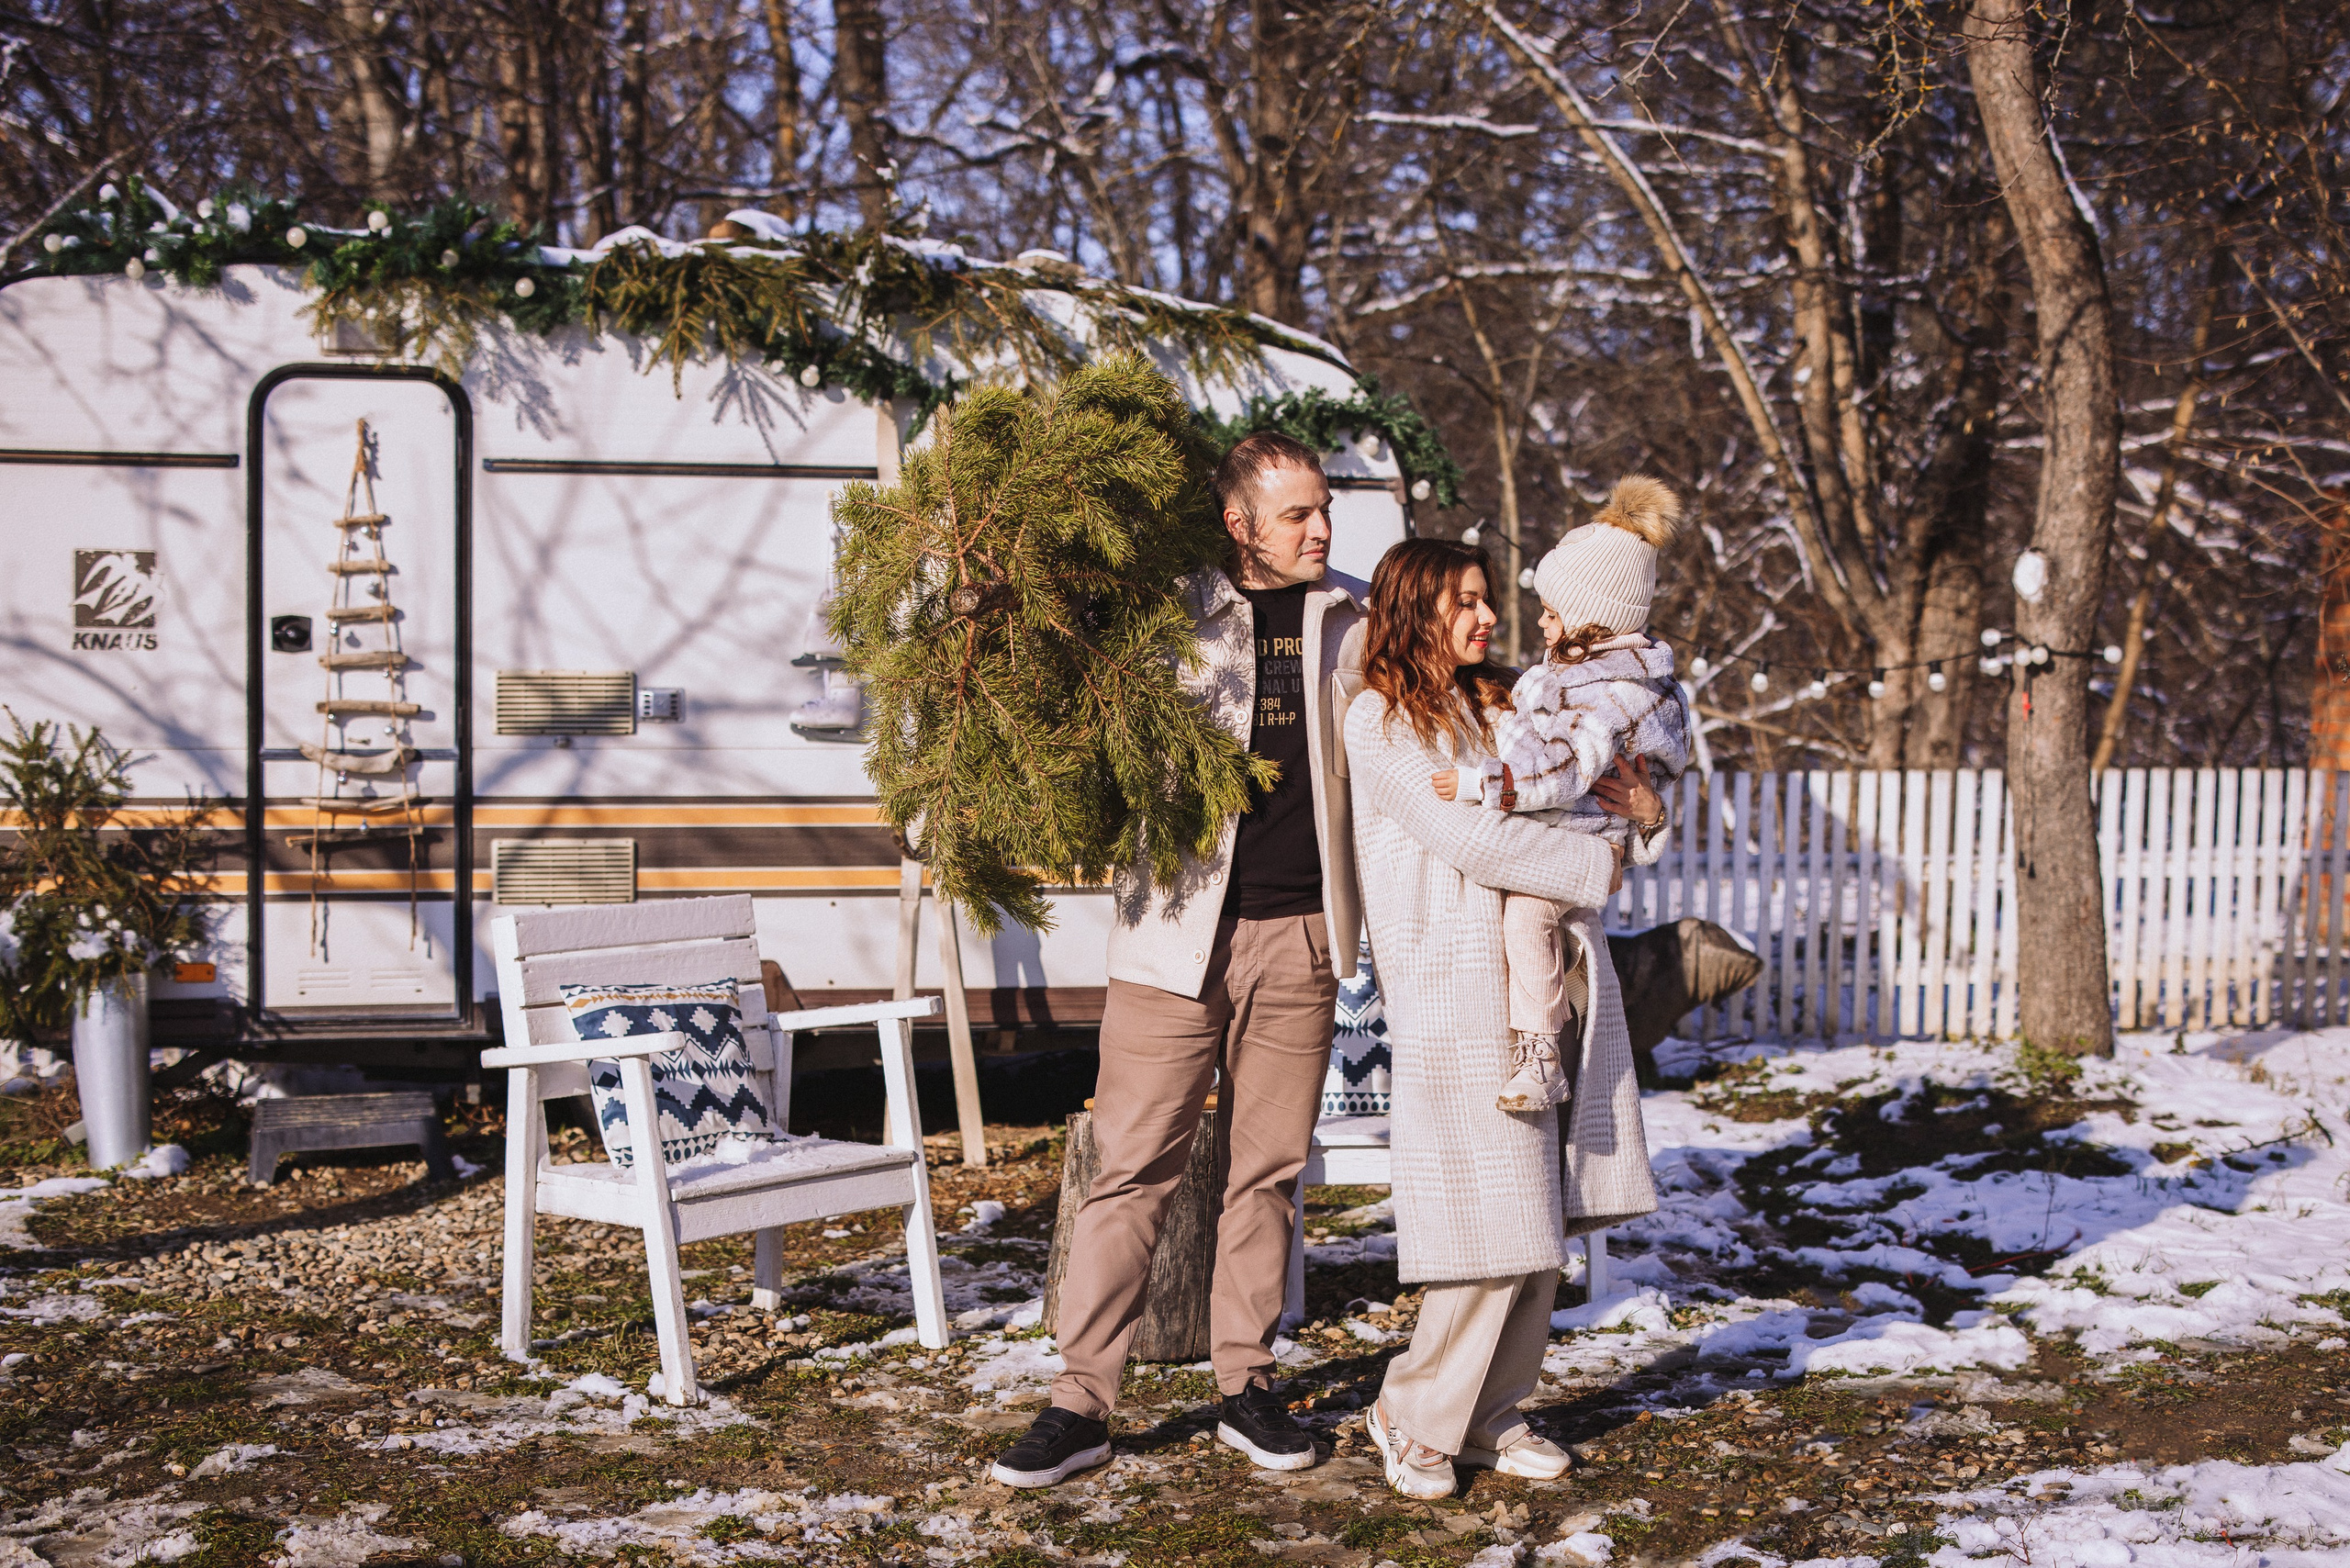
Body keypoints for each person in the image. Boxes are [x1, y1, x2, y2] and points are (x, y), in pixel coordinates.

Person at [990, 431, 1367, 1488]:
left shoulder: (1356, 623)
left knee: (1268, 1174)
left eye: (1324, 507)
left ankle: (1246, 1382)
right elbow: (1060, 700)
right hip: (1170, 934)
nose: (1321, 529)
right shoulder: (1164, 621)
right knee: (1131, 1169)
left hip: (1300, 937)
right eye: (1297, 514)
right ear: (1240, 523)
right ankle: (1079, 1403)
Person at [1343, 536, 1664, 1501]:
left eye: (1487, 600)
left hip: (1544, 981)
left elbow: (1592, 798)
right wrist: (1598, 870)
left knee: (1539, 1223)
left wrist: (1642, 816)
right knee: (1491, 1222)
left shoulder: (1510, 702)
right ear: (1414, 609)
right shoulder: (1381, 721)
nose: (1485, 619)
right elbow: (1471, 836)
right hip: (1454, 985)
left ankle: (1490, 1411)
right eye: (1464, 602)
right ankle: (1413, 1411)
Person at [1431, 477, 1689, 1112]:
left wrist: (1479, 783)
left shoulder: (1601, 694)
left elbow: (1559, 772)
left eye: (1551, 612)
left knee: (1526, 916)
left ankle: (1540, 1055)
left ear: (1590, 619)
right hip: (1571, 841)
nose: (1538, 623)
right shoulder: (1582, 679)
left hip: (1575, 840)